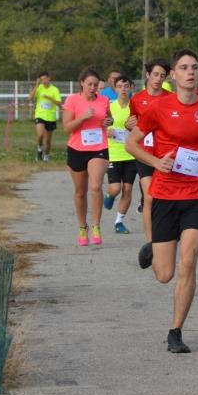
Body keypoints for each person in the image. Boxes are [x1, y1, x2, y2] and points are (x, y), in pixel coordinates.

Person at [125, 49, 198, 353]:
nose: (190, 72)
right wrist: (155, 161)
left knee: (188, 260)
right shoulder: (158, 108)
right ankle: (153, 248)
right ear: (173, 75)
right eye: (184, 68)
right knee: (165, 274)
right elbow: (132, 143)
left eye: (195, 67)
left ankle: (176, 331)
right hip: (164, 194)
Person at [62, 67, 112, 246]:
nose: (92, 88)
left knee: (96, 185)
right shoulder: (72, 100)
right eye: (89, 84)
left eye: (95, 85)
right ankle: (83, 227)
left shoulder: (104, 100)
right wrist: (82, 118)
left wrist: (108, 121)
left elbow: (109, 118)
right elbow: (67, 128)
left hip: (98, 147)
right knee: (80, 193)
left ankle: (96, 225)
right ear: (82, 83)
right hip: (77, 149)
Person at [128, 60, 171, 257]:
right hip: (145, 154)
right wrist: (130, 126)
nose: (158, 79)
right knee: (150, 197)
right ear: (147, 75)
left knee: (164, 197)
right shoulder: (137, 99)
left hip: (166, 154)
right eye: (155, 75)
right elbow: (133, 125)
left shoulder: (171, 98)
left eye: (162, 76)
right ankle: (150, 242)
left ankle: (166, 235)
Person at [103, 73, 138, 234]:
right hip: (114, 152)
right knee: (116, 188)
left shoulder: (136, 107)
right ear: (115, 89)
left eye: (126, 86)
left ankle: (119, 221)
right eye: (119, 86)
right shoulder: (109, 106)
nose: (123, 89)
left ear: (131, 88)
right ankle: (109, 196)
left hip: (131, 153)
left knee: (128, 189)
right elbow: (101, 124)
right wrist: (106, 129)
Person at [29, 71, 62, 162]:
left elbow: (59, 104)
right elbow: (30, 98)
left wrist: (50, 98)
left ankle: (46, 156)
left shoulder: (54, 90)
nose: (44, 81)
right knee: (40, 134)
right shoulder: (39, 88)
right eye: (42, 79)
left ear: (49, 78)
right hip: (40, 115)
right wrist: (36, 85)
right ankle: (39, 149)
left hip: (50, 117)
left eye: (45, 78)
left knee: (47, 141)